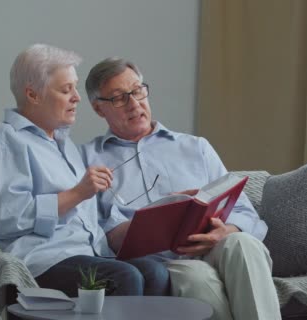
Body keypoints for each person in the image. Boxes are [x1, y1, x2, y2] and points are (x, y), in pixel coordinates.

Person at [81, 57, 281, 320]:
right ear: (98, 109)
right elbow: (91, 229)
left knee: (243, 244)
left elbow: (245, 212)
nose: (134, 104)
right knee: (197, 277)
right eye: (119, 98)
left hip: (214, 246)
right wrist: (144, 222)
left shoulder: (195, 147)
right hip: (162, 261)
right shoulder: (88, 160)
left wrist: (226, 231)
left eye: (138, 91)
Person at [0, 45, 169, 298]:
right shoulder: (5, 143)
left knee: (155, 272)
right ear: (33, 94)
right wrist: (78, 193)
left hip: (86, 252)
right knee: (125, 277)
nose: (77, 97)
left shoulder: (63, 143)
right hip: (39, 260)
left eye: (75, 87)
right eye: (66, 89)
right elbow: (8, 219)